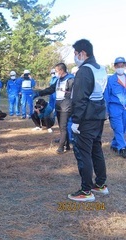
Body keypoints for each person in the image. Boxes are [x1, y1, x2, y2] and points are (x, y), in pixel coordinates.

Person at [68, 39, 108, 202]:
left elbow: (80, 98)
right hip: (98, 115)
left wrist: (76, 121)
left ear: (82, 53)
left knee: (83, 152)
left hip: (86, 117)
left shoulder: (84, 70)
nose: (75, 57)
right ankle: (100, 185)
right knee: (96, 150)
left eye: (76, 54)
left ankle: (85, 190)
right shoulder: (100, 69)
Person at [33, 63, 74, 154]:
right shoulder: (58, 80)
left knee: (63, 127)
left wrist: (67, 104)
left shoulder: (70, 80)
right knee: (62, 127)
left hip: (66, 105)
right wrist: (39, 93)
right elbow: (51, 89)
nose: (55, 73)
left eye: (56, 71)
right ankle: (67, 145)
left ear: (61, 70)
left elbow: (70, 94)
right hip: (59, 105)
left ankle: (61, 147)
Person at [104, 57, 126, 158]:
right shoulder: (111, 80)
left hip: (125, 109)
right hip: (115, 108)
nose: (120, 68)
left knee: (123, 128)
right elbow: (106, 97)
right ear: (115, 67)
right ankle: (122, 148)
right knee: (119, 128)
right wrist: (106, 111)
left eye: (122, 65)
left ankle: (114, 144)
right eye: (118, 66)